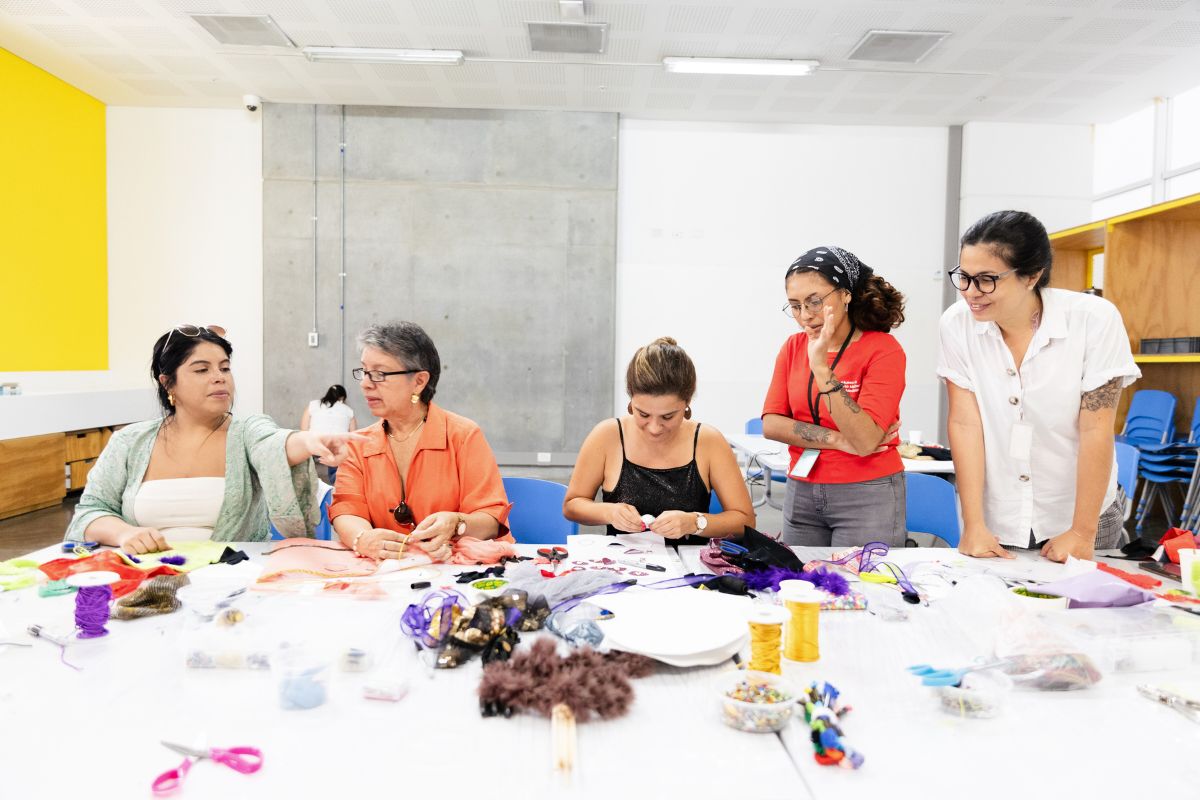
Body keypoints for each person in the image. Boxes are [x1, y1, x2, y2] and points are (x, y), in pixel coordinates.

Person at [938, 210, 1140, 562]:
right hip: (999, 518)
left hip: (1080, 515)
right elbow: (965, 424)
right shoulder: (958, 325)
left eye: (987, 279)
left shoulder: (1094, 320)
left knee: (1082, 616)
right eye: (964, 277)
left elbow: (1096, 428)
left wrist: (1081, 531)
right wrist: (973, 523)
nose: (971, 293)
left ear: (1032, 275)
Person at [64, 325, 361, 553]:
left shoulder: (246, 431)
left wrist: (309, 441)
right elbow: (91, 511)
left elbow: (273, 444)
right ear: (168, 383)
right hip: (147, 583)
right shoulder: (130, 441)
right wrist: (124, 534)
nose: (219, 377)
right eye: (202, 369)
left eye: (225, 368)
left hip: (230, 587)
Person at [329, 321, 512, 563]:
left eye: (379, 374)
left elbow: (490, 519)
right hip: (386, 572)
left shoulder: (463, 435)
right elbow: (346, 509)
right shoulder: (358, 444)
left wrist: (457, 523)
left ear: (419, 381)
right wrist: (362, 538)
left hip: (456, 570)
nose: (365, 383)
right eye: (364, 371)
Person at [761, 246, 907, 547]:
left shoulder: (883, 350)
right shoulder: (792, 347)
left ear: (845, 294)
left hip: (866, 491)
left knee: (863, 587)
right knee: (801, 585)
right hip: (802, 488)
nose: (805, 316)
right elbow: (772, 424)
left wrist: (821, 368)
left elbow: (866, 441)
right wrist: (838, 439)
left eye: (815, 302)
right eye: (795, 306)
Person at [563, 337, 754, 544]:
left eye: (668, 417)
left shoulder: (708, 441)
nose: (654, 428)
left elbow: (745, 521)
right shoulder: (607, 436)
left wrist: (695, 522)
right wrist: (608, 512)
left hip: (691, 571)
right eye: (643, 414)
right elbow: (572, 506)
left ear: (687, 403)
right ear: (631, 400)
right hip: (623, 568)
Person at [301, 384, 357, 481]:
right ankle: (335, 482)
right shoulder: (348, 411)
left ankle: (308, 479)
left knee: (305, 447)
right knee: (339, 452)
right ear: (342, 397)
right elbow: (353, 435)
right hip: (335, 447)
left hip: (315, 444)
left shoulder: (313, 405)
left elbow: (303, 429)